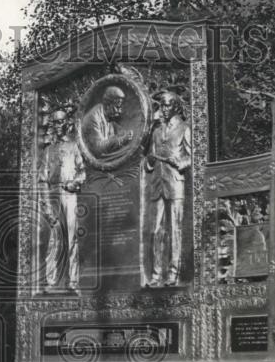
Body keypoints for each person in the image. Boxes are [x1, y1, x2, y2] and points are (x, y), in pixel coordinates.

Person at [144, 90, 192, 287]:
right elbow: (148, 159)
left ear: (176, 107)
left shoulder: (184, 129)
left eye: (166, 105)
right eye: (161, 105)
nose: (162, 109)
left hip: (175, 184)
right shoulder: (156, 131)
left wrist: (180, 162)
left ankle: (173, 273)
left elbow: (192, 157)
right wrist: (150, 161)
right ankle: (155, 275)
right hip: (157, 184)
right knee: (155, 231)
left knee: (175, 230)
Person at [39, 110, 85, 290]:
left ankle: (73, 281)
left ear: (67, 123)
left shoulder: (74, 146)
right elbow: (42, 180)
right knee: (54, 239)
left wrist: (74, 183)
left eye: (60, 122)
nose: (57, 126)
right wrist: (47, 207)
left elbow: (82, 172)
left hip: (70, 195)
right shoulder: (48, 150)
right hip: (53, 195)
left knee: (72, 237)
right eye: (55, 123)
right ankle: (50, 281)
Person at [81, 85, 134, 158]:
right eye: (117, 107)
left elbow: (119, 131)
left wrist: (124, 134)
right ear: (108, 105)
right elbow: (98, 149)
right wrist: (121, 140)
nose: (120, 111)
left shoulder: (108, 116)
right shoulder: (93, 118)